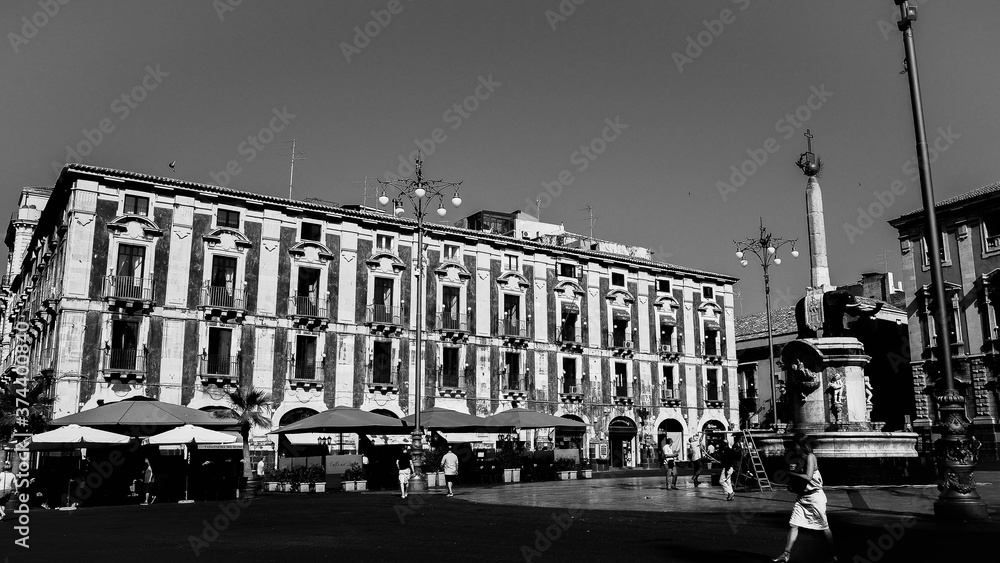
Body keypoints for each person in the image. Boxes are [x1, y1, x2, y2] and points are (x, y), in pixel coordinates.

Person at [773, 433, 836, 563]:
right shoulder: (800, 459)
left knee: (824, 527)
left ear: (801, 445)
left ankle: (833, 556)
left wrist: (791, 473)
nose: (793, 447)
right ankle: (786, 554)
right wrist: (792, 477)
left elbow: (808, 477)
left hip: (815, 498)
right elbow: (800, 481)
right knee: (793, 524)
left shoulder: (810, 457)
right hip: (803, 497)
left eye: (795, 445)